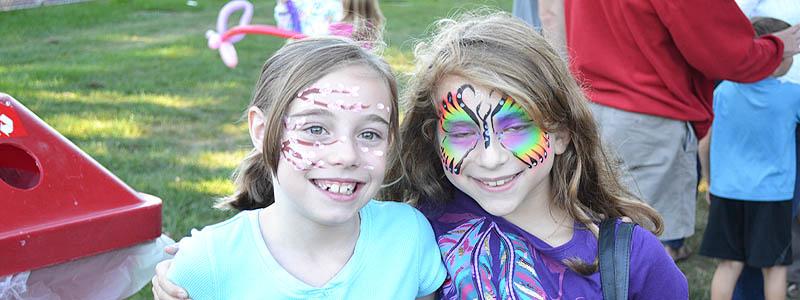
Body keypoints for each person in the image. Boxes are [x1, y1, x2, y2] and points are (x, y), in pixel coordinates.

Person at [393, 11, 687, 298]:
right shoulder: (414, 235)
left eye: (516, 127)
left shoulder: (630, 260)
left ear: (560, 133)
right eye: (461, 133)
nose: (491, 158)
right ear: (433, 138)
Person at [157, 37, 446, 300]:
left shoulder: (409, 236)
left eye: (369, 134)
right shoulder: (207, 263)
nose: (346, 155)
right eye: (316, 129)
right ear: (261, 130)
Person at [564, 0, 800, 262]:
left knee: (596, 245)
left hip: (590, 105)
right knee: (636, 258)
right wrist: (775, 49)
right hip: (648, 116)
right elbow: (719, 50)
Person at [698, 16, 800, 300]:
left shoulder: (724, 91)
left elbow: (705, 145)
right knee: (774, 269)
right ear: (776, 57)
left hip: (727, 192)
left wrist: (710, 181)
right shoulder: (792, 96)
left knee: (729, 266)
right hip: (773, 197)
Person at [274, 0, 343, 36]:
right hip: (299, 47)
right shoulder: (292, 3)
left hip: (325, 47)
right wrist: (282, 5)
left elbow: (342, 27)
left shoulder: (334, 4)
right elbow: (284, 28)